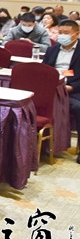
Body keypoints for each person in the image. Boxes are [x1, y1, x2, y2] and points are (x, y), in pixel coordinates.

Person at [41, 20, 80, 162]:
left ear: (76, 34)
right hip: (51, 89)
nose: (62, 36)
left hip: (73, 89)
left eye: (66, 33)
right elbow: (44, 70)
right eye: (60, 33)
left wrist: (72, 87)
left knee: (78, 108)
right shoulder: (52, 49)